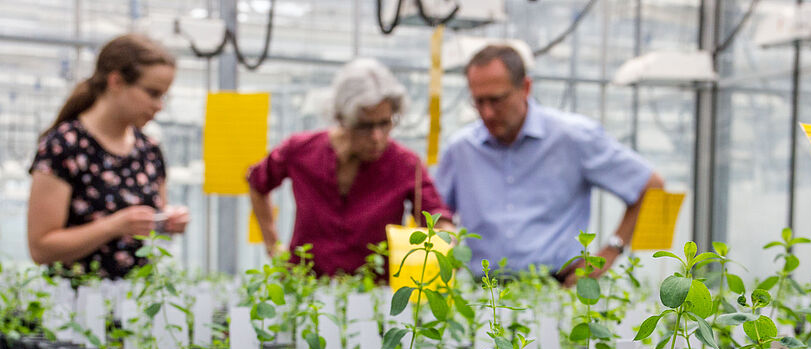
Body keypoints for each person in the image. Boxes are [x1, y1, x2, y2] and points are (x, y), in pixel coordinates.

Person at [435, 44, 665, 284]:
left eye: (496, 100)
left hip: (556, 291)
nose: (487, 113)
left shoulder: (573, 138)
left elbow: (650, 184)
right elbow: (436, 212)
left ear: (525, 88)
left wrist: (611, 251)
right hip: (483, 294)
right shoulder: (460, 149)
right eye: (478, 102)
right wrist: (447, 242)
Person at [247, 58, 451, 277]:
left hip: (373, 294)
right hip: (305, 288)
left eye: (384, 123)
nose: (377, 137)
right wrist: (273, 247)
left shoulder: (406, 164)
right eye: (365, 126)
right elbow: (257, 181)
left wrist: (449, 241)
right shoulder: (301, 150)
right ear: (342, 119)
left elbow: (436, 217)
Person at [27, 33, 189, 279]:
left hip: (139, 302)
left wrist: (167, 221)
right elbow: (40, 248)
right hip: (76, 305)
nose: (159, 105)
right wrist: (115, 226)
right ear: (116, 82)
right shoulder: (64, 146)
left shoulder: (149, 150)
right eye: (152, 93)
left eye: (164, 96)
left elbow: (151, 222)